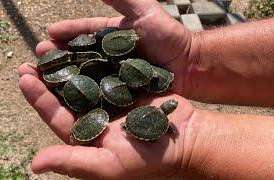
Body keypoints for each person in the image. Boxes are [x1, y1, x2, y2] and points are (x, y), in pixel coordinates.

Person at [18, 0, 274, 179]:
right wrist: (191, 54)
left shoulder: (161, 117)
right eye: (170, 105)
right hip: (115, 94)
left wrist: (191, 145)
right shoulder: (159, 113)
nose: (170, 104)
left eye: (170, 106)